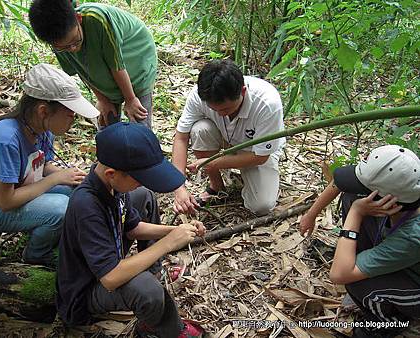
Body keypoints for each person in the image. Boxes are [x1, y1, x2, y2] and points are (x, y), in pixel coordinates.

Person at [57, 122, 206, 337]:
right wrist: (169, 243)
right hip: (87, 290)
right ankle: (160, 328)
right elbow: (110, 277)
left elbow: (133, 228)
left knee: (143, 196)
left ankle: (155, 272)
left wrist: (176, 230)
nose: (142, 182)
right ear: (111, 173)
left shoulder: (113, 185)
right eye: (139, 178)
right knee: (147, 290)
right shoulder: (86, 206)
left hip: (109, 262)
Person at [0, 63, 100, 267]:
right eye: (70, 114)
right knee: (61, 208)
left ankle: (49, 234)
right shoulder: (5, 141)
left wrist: (72, 176)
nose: (73, 119)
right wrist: (56, 178)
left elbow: (42, 163)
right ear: (43, 110)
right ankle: (36, 255)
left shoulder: (39, 128)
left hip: (22, 186)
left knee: (76, 192)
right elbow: (6, 201)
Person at [301, 145, 420, 338]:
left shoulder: (412, 237)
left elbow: (339, 275)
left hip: (415, 284)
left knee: (359, 285)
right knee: (352, 196)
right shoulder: (406, 188)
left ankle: (391, 323)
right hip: (401, 253)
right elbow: (341, 184)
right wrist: (311, 215)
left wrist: (356, 212)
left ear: (389, 202)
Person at [172, 59, 285, 216]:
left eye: (226, 109)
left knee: (261, 206)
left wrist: (211, 162)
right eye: (214, 109)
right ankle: (216, 186)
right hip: (226, 137)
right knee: (200, 129)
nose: (220, 113)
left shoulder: (267, 103)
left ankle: (249, 177)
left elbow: (260, 157)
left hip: (255, 151)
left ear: (243, 92)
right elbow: (181, 138)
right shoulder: (200, 95)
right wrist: (179, 187)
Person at [29, 0, 157, 128]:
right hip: (104, 71)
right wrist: (102, 99)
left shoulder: (98, 20)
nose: (73, 48)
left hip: (136, 59)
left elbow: (116, 65)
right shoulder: (57, 42)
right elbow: (80, 69)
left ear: (79, 19)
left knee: (140, 125)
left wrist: (131, 99)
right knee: (107, 125)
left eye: (75, 40)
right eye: (66, 47)